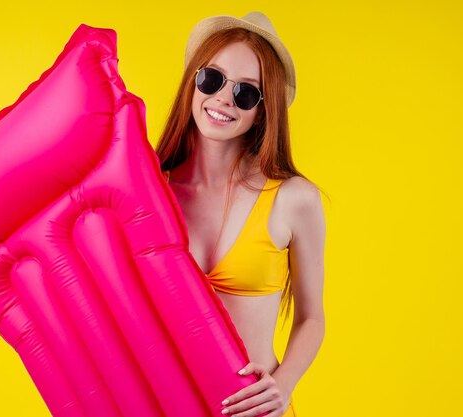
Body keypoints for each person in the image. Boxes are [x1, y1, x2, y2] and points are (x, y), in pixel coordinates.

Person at [155, 12, 326, 417]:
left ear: (263, 111)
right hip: (163, 405)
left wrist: (283, 386)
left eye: (246, 92)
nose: (224, 99)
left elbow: (312, 318)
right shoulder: (151, 193)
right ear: (192, 83)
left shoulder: (293, 199)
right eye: (212, 79)